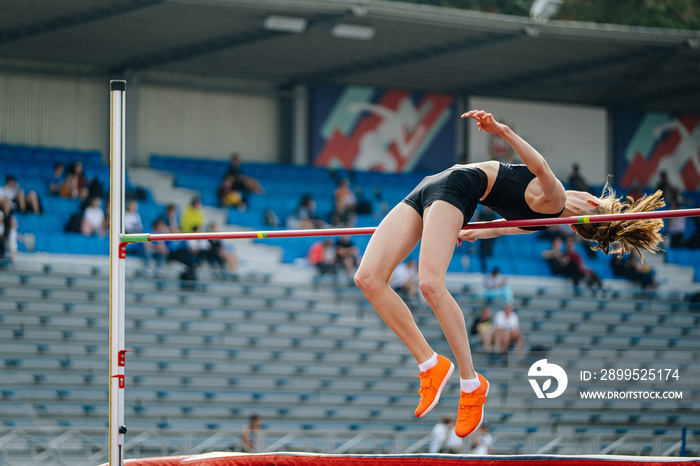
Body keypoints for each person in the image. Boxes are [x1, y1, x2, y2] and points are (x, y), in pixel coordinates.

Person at [354, 109, 665, 438]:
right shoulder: (540, 221)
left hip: (456, 188)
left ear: (588, 204)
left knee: (430, 284)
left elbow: (540, 167)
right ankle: (430, 363)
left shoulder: (556, 197)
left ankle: (471, 383)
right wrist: (477, 232)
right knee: (368, 278)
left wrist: (501, 131)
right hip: (432, 186)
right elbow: (504, 228)